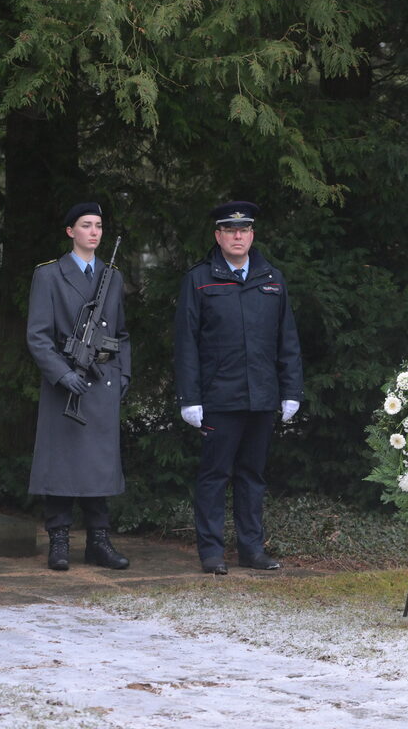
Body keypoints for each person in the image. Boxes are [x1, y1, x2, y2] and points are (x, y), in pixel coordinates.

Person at [174, 201, 303, 574]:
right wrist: (189, 398)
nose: (237, 236)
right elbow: (186, 344)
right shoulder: (199, 279)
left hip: (261, 397)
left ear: (252, 235)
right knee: (214, 477)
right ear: (218, 236)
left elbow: (287, 341)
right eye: (230, 231)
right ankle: (212, 553)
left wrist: (291, 391)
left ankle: (251, 549)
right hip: (218, 397)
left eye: (244, 230)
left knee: (253, 477)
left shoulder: (272, 279)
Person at [27, 202, 130, 571]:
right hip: (65, 383)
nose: (94, 232)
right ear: (70, 231)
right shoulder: (50, 275)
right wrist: (60, 373)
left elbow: (121, 334)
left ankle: (99, 541)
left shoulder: (111, 275)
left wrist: (124, 374)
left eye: (99, 226)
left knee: (98, 467)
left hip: (101, 383)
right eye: (86, 225)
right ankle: (59, 540)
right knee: (61, 465)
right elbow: (38, 337)